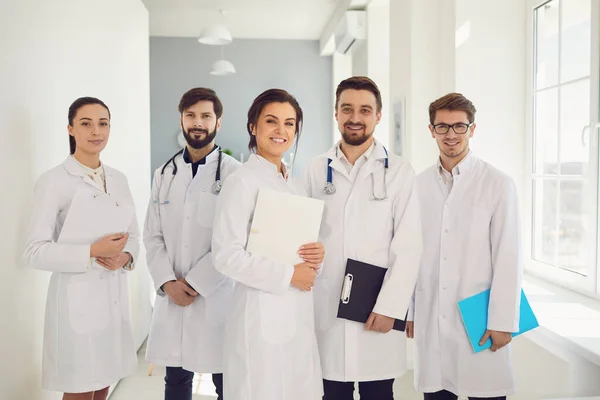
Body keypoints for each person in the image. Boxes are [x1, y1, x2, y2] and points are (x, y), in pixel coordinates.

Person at [304, 76, 422, 400]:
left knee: (379, 392)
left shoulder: (399, 172)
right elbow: (304, 236)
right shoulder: (316, 169)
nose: (355, 117)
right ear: (336, 113)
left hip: (377, 307)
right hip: (327, 306)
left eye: (365, 110)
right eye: (347, 109)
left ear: (378, 115)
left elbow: (409, 246)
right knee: (331, 392)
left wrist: (391, 307)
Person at [406, 92, 522, 400]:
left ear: (472, 129)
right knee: (437, 392)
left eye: (459, 126)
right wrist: (411, 311)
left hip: (480, 316)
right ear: (431, 130)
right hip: (432, 313)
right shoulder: (417, 186)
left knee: (486, 391)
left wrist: (502, 322)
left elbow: (508, 257)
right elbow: (412, 254)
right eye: (442, 127)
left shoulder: (497, 183)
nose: (451, 135)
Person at [212, 88, 325, 400]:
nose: (281, 131)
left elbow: (302, 251)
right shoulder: (242, 182)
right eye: (272, 121)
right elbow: (225, 256)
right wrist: (288, 275)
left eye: (289, 124)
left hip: (296, 314)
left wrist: (318, 255)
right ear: (253, 127)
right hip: (259, 316)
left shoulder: (296, 185)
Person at [23, 97, 139, 400]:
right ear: (71, 129)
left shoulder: (119, 179)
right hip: (76, 303)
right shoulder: (53, 181)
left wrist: (125, 257)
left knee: (102, 385)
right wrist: (92, 250)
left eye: (103, 123)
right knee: (78, 390)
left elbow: (135, 237)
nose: (96, 131)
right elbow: (34, 251)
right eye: (86, 123)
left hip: (112, 299)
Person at [144, 87, 240, 400]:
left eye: (205, 116)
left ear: (218, 122)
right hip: (173, 296)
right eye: (191, 115)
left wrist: (197, 283)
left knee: (224, 383)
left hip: (216, 296)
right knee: (176, 382)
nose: (197, 122)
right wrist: (167, 282)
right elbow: (153, 235)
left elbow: (235, 239)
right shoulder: (164, 174)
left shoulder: (235, 175)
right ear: (182, 120)